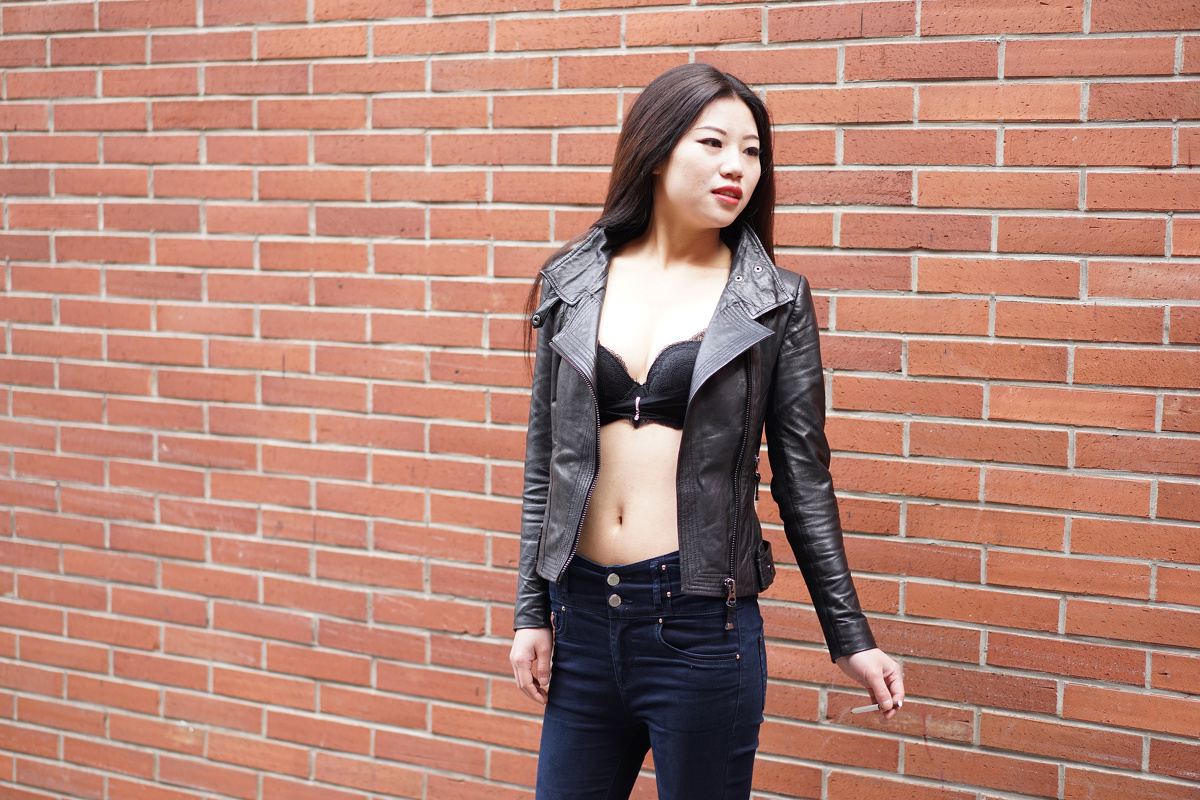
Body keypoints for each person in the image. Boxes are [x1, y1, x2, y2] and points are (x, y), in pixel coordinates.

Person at [509, 63, 904, 800]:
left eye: (752, 151)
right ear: (658, 151)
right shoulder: (571, 282)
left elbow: (803, 481)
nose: (737, 167)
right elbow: (546, 463)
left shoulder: (773, 302)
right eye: (714, 143)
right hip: (581, 619)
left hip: (698, 630)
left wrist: (849, 637)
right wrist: (532, 612)